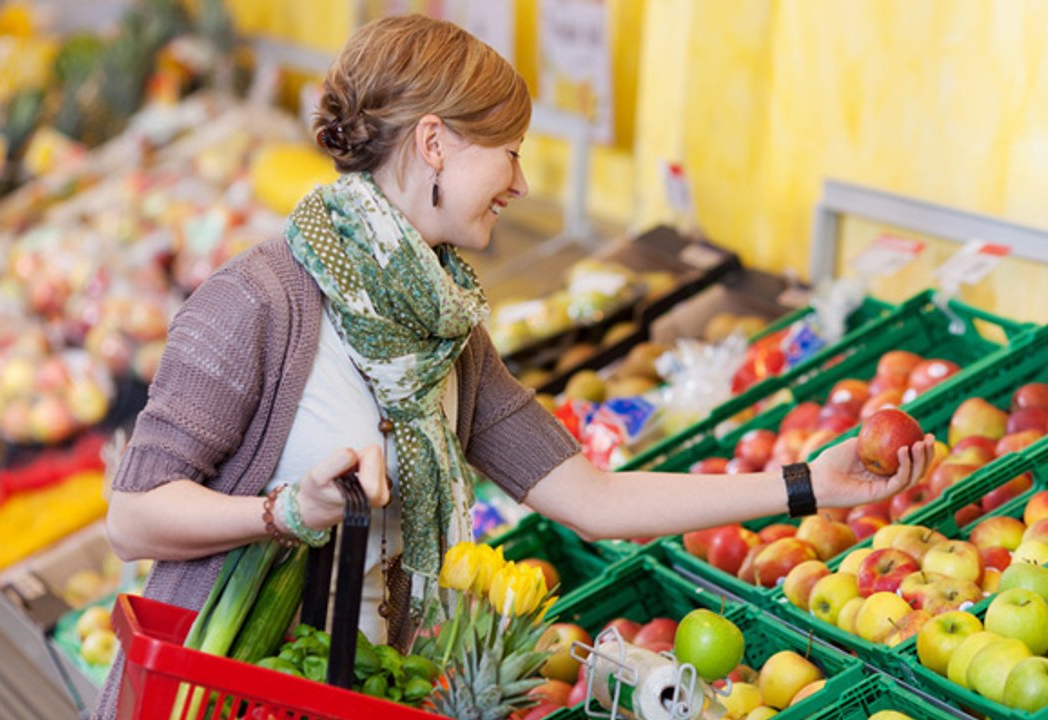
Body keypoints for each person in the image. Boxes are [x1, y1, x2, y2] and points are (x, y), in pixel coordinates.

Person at [93, 14, 932, 717]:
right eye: (509, 152)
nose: (522, 183)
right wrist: (285, 511)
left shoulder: (448, 334)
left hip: (364, 694)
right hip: (219, 696)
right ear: (435, 144)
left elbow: (592, 500)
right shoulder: (260, 300)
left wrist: (805, 487)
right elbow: (133, 518)